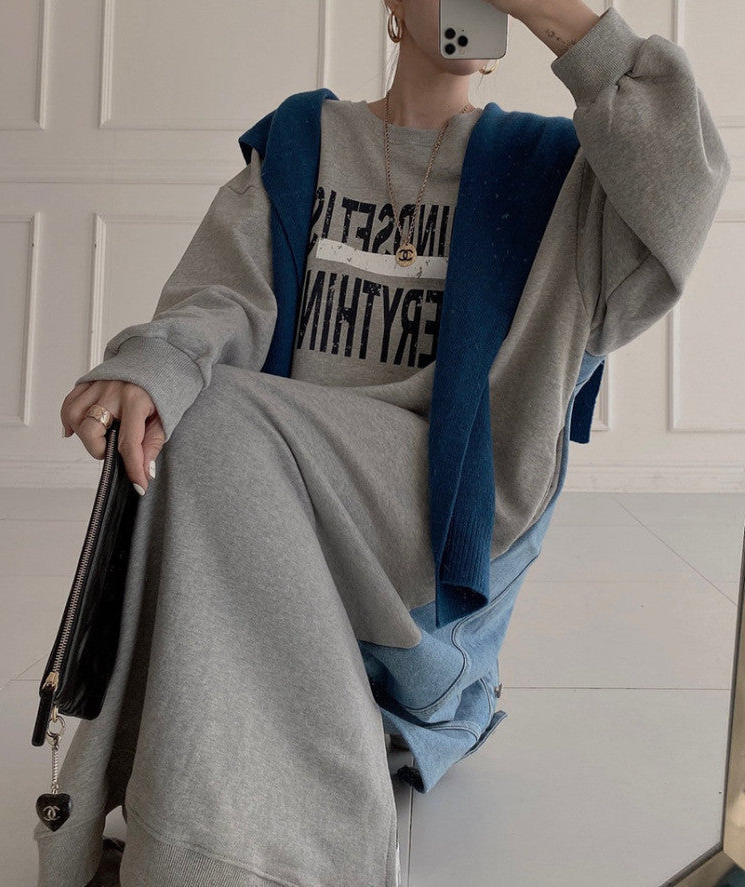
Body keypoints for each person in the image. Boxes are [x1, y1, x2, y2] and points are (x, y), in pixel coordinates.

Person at [38, 1, 731, 885]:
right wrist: (155, 365)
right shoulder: (303, 142)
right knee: (194, 419)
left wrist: (553, 10)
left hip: (435, 537)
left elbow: (686, 180)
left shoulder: (551, 169)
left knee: (220, 421)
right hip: (280, 518)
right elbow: (222, 296)